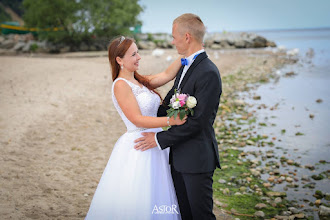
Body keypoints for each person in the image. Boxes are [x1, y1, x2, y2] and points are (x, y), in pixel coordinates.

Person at [85, 36, 186, 219]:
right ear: (119, 60)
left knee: (158, 193)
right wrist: (172, 121)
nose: (139, 57)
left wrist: (187, 55)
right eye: (133, 54)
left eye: (138, 52)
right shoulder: (120, 85)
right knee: (141, 195)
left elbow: (165, 75)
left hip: (156, 143)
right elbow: (137, 119)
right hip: (139, 145)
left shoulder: (140, 81)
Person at [134, 13, 222, 220]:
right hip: (178, 156)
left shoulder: (208, 72)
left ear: (187, 37)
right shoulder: (185, 66)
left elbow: (198, 123)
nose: (172, 41)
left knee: (201, 216)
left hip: (197, 159)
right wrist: (144, 109)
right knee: (183, 215)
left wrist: (157, 139)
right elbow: (171, 101)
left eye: (174, 37)